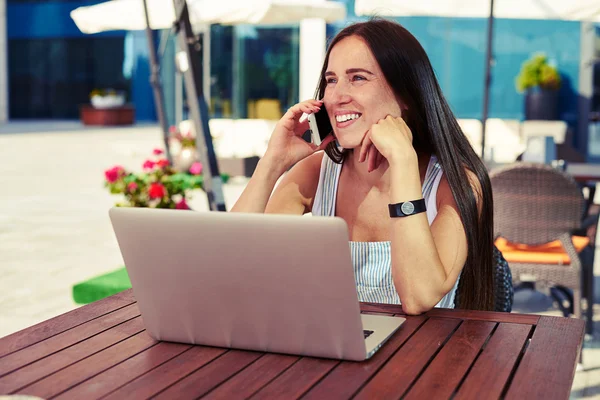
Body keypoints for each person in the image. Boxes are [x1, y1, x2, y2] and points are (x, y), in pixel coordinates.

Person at [232, 18, 494, 314]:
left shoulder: (456, 183)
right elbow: (231, 267)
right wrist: (272, 163)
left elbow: (419, 296)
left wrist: (403, 161)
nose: (337, 97)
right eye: (331, 80)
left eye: (358, 78)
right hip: (332, 351)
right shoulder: (318, 172)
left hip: (420, 357)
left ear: (405, 94)